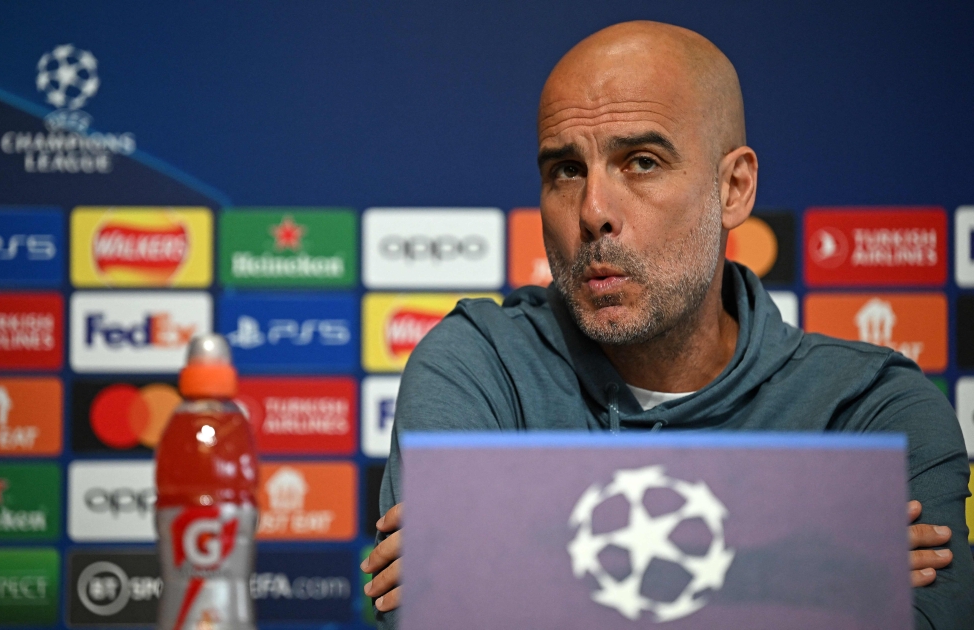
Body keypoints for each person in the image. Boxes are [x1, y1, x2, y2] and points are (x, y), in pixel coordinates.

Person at [361, 21, 974, 629]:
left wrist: (510, 571)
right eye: (566, 171)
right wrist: (817, 575)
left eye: (642, 162)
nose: (594, 211)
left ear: (734, 188)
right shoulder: (477, 368)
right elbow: (429, 615)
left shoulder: (872, 413)